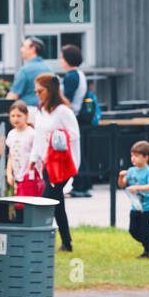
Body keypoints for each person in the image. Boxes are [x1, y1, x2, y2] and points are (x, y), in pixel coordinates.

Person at [31, 72, 79, 253]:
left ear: (49, 90)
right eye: (36, 91)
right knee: (57, 204)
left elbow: (75, 134)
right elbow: (37, 135)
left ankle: (37, 241)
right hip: (47, 162)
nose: (37, 94)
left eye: (40, 91)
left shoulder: (63, 111)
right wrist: (34, 158)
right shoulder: (41, 110)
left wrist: (53, 137)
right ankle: (66, 242)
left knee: (45, 201)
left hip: (62, 165)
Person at [60, 44, 92, 196]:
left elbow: (66, 99)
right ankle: (83, 185)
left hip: (72, 117)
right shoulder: (80, 74)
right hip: (78, 116)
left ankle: (80, 186)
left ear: (67, 59)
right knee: (80, 152)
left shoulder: (71, 77)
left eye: (62, 57)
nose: (60, 60)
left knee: (75, 153)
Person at [118, 140, 149, 258]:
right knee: (133, 230)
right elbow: (122, 185)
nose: (133, 159)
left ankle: (148, 251)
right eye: (132, 156)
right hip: (135, 206)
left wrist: (137, 188)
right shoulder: (131, 171)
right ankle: (147, 242)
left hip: (147, 207)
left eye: (136, 156)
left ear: (146, 157)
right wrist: (121, 177)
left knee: (144, 230)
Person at [5, 100, 42, 197]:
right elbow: (10, 155)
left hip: (30, 177)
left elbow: (38, 155)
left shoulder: (32, 134)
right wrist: (9, 173)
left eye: (19, 116)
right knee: (19, 205)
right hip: (18, 177)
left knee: (27, 205)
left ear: (26, 115)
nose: (15, 119)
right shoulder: (11, 134)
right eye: (12, 116)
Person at [8, 37, 51, 102]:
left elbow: (12, 97)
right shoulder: (49, 69)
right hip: (47, 109)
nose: (21, 49)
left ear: (33, 49)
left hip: (28, 109)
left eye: (24, 47)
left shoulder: (24, 70)